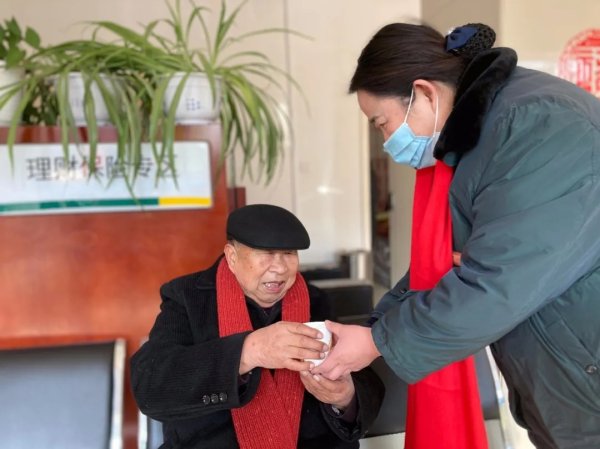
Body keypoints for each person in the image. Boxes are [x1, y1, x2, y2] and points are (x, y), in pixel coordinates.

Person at [314, 22, 600, 449]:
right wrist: (375, 327)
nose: (388, 141)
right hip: (565, 373)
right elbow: (441, 264)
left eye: (382, 124)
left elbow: (495, 284)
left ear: (424, 93)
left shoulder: (536, 125)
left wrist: (376, 342)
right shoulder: (479, 136)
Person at [131, 204, 384, 449]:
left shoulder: (315, 299)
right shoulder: (187, 297)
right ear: (232, 256)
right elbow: (150, 387)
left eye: (289, 254)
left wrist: (344, 397)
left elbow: (364, 380)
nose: (280, 268)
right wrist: (249, 352)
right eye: (266, 253)